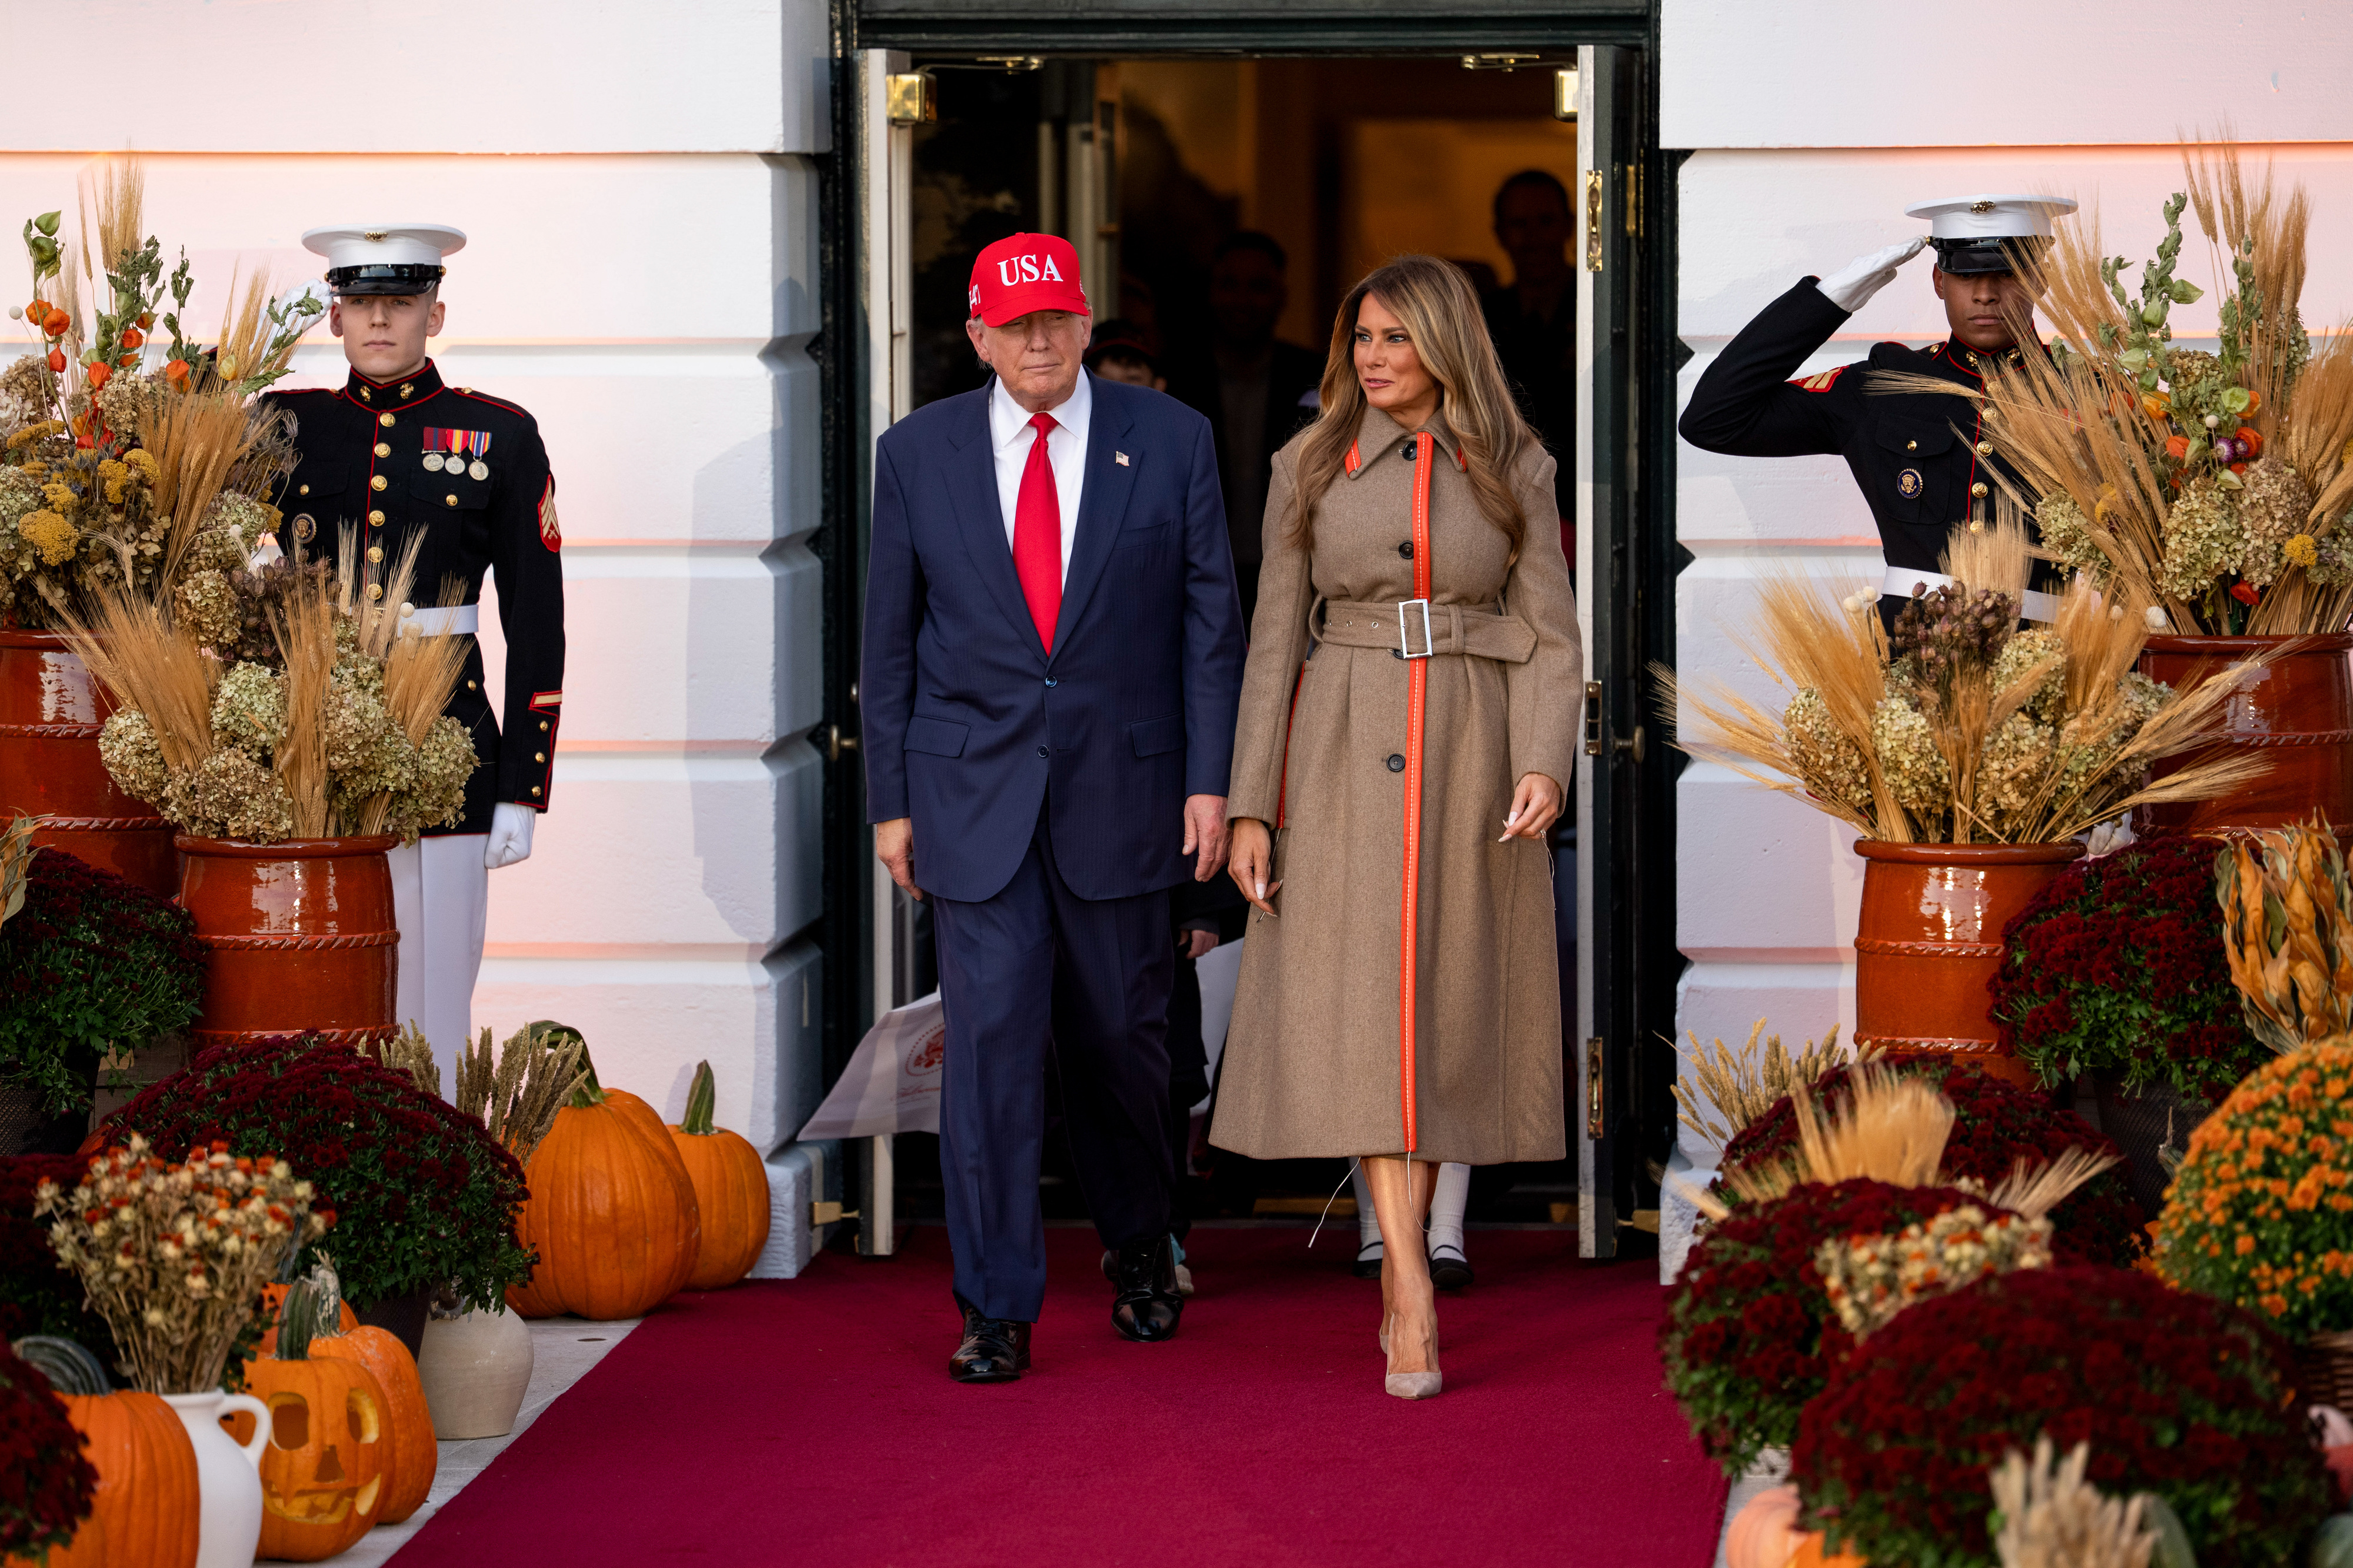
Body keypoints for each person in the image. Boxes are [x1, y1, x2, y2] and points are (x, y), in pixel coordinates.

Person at [861, 232, 1247, 1385]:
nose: (1039, 339)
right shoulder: (915, 452)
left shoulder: (1168, 438)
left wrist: (1210, 779)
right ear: (976, 335)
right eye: (1015, 323)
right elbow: (886, 645)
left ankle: (1139, 1246)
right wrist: (891, 802)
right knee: (986, 1053)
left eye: (1057, 319)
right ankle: (993, 1305)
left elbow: (1209, 624)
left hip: (1125, 795)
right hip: (968, 798)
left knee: (1121, 1045)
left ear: (1085, 324)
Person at [1214, 255, 1582, 1400]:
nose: (1371, 357)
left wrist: (1542, 762)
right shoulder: (1307, 463)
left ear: (1443, 344)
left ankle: (1410, 1253)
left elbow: (1553, 633)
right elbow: (1270, 642)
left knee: (1447, 1004)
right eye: (1360, 338)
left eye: (1393, 338)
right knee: (1367, 1007)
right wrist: (1248, 806)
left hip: (1473, 749)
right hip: (1334, 747)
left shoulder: (1515, 462)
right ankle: (1406, 1280)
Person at [265, 225, 564, 1092]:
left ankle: (432, 1170)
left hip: (449, 736)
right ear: (334, 318)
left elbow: (537, 621)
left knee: (435, 999)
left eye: (400, 302)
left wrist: (522, 784)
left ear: (437, 313)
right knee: (325, 973)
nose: (380, 320)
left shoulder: (496, 434)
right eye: (361, 302)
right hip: (312, 739)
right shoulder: (282, 426)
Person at [1677, 194, 2079, 625]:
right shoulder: (1883, 385)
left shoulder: (2092, 392)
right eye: (1965, 275)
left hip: (2053, 656)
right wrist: (1828, 302)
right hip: (1908, 658)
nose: (1985, 294)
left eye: (2007, 273)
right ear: (1939, 281)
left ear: (2041, 278)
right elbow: (1714, 420)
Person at [1166, 232, 1325, 620]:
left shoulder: (1315, 376)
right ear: (1210, 293)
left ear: (1282, 295)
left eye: (1258, 286)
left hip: (1297, 571)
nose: (1242, 300)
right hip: (1193, 571)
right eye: (1229, 285)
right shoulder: (1175, 378)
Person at [1480, 171, 1578, 542]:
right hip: (1502, 497)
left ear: (1570, 226)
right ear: (1501, 233)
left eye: (1545, 222)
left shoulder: (1602, 312)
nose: (1533, 237)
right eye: (1520, 224)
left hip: (1585, 492)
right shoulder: (1480, 318)